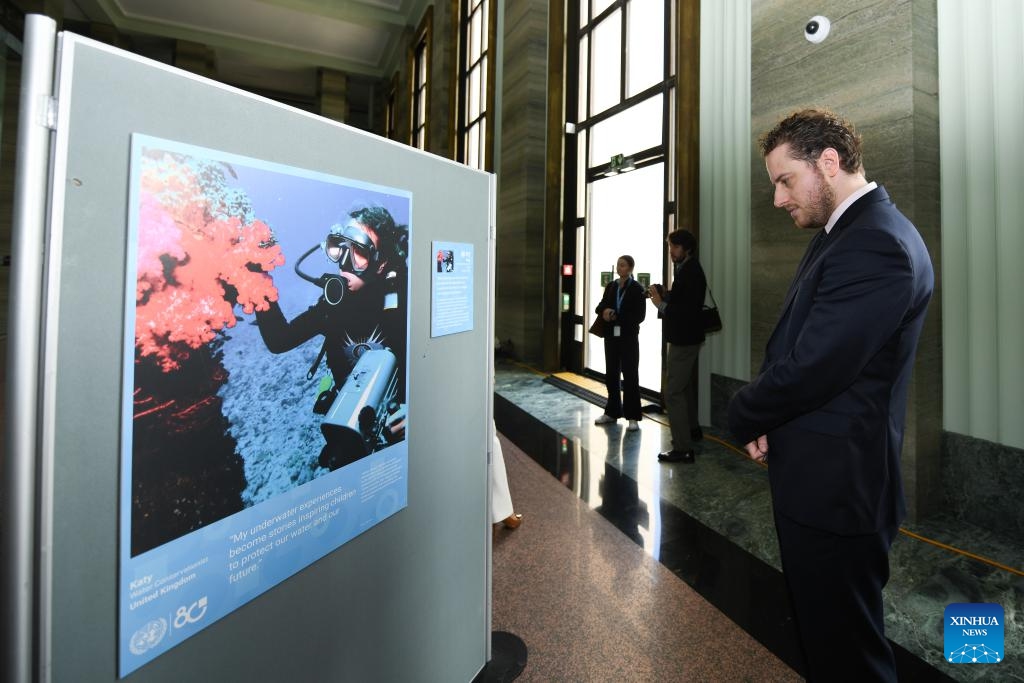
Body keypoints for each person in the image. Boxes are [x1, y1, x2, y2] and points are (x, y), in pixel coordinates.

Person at [727, 109, 934, 682]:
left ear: (828, 162)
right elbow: (799, 346)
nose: (776, 198)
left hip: (839, 492)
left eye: (783, 180)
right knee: (826, 640)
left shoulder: (876, 243)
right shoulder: (846, 232)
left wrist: (743, 413)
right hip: (823, 480)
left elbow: (815, 367)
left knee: (849, 658)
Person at [257, 205, 409, 470]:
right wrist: (257, 281)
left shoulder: (402, 302)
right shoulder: (333, 306)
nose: (345, 263)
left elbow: (437, 364)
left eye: (360, 252)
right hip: (350, 421)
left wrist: (417, 410)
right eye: (341, 248)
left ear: (381, 263)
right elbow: (279, 340)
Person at [648, 230, 706, 463]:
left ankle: (683, 448)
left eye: (674, 247)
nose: (671, 251)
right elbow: (685, 300)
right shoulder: (688, 268)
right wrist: (666, 295)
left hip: (683, 339)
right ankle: (692, 431)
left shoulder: (689, 271)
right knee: (684, 388)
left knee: (672, 391)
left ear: (686, 248)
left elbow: (685, 311)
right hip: (688, 337)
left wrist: (660, 304)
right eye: (670, 246)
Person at [593, 255, 647, 431]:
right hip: (611, 336)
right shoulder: (611, 286)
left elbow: (640, 316)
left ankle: (633, 417)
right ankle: (612, 412)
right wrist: (605, 311)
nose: (619, 268)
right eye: (618, 265)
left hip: (628, 337)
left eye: (622, 265)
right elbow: (599, 307)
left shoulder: (637, 288)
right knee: (611, 374)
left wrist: (618, 316)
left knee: (630, 375)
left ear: (631, 268)